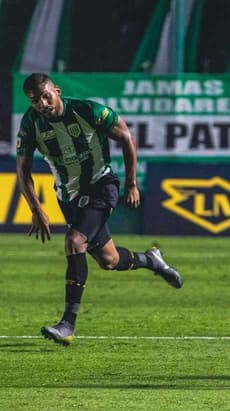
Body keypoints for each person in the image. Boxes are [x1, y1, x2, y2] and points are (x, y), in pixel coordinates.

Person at [16, 73, 183, 347]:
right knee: (110, 260)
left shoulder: (87, 110)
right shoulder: (31, 124)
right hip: (68, 197)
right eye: (35, 101)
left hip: (101, 185)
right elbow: (23, 170)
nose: (43, 104)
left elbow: (127, 138)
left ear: (56, 90)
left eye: (46, 96)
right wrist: (36, 208)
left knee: (74, 241)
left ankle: (67, 324)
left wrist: (131, 184)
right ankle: (152, 260)